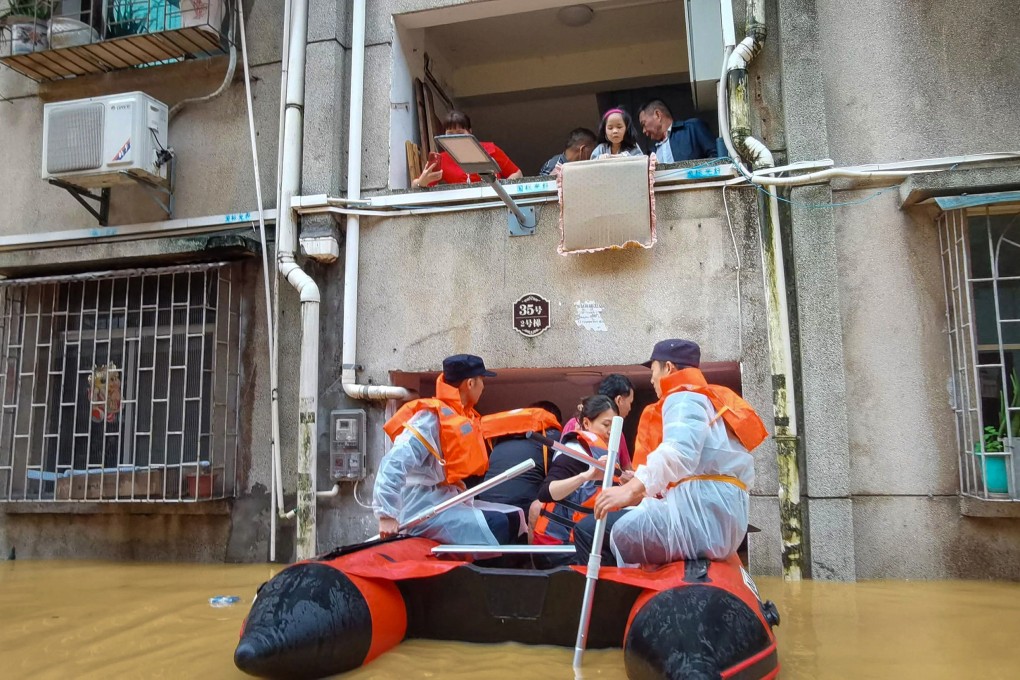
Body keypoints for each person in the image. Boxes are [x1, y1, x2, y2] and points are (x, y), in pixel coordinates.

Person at [573, 339, 768, 567]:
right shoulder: (710, 400)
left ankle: (612, 601)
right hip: (716, 522)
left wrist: (629, 490)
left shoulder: (683, 396)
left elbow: (679, 453)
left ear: (668, 368)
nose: (652, 378)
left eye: (654, 370)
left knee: (588, 530)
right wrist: (640, 482)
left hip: (696, 524)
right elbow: (696, 463)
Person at [374, 354, 526, 545]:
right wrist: (386, 514)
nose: (483, 387)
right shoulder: (429, 419)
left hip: (443, 498)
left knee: (515, 517)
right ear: (470, 383)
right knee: (498, 525)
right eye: (482, 381)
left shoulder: (460, 415)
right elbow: (394, 462)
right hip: (420, 507)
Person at [531, 395, 633, 547]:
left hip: (589, 540)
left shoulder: (607, 453)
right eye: (606, 425)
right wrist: (586, 476)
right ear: (586, 423)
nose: (611, 431)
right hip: (561, 543)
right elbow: (545, 492)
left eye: (615, 426)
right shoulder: (574, 452)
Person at [475, 401, 563, 515]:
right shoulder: (553, 437)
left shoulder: (503, 436)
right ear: (554, 421)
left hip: (484, 502)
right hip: (521, 505)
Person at [412, 110, 523, 188]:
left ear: (470, 132)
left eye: (460, 133)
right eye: (450, 134)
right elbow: (415, 185)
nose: (455, 138)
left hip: (494, 205)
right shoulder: (442, 159)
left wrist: (500, 191)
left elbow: (517, 174)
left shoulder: (490, 150)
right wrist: (421, 182)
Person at [562, 374, 635, 469]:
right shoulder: (574, 425)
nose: (630, 408)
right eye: (606, 424)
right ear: (586, 423)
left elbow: (626, 470)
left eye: (612, 426)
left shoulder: (618, 433)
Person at [637, 100, 716, 164]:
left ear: (658, 115)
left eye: (644, 124)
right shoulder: (651, 153)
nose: (643, 131)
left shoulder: (692, 128)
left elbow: (718, 157)